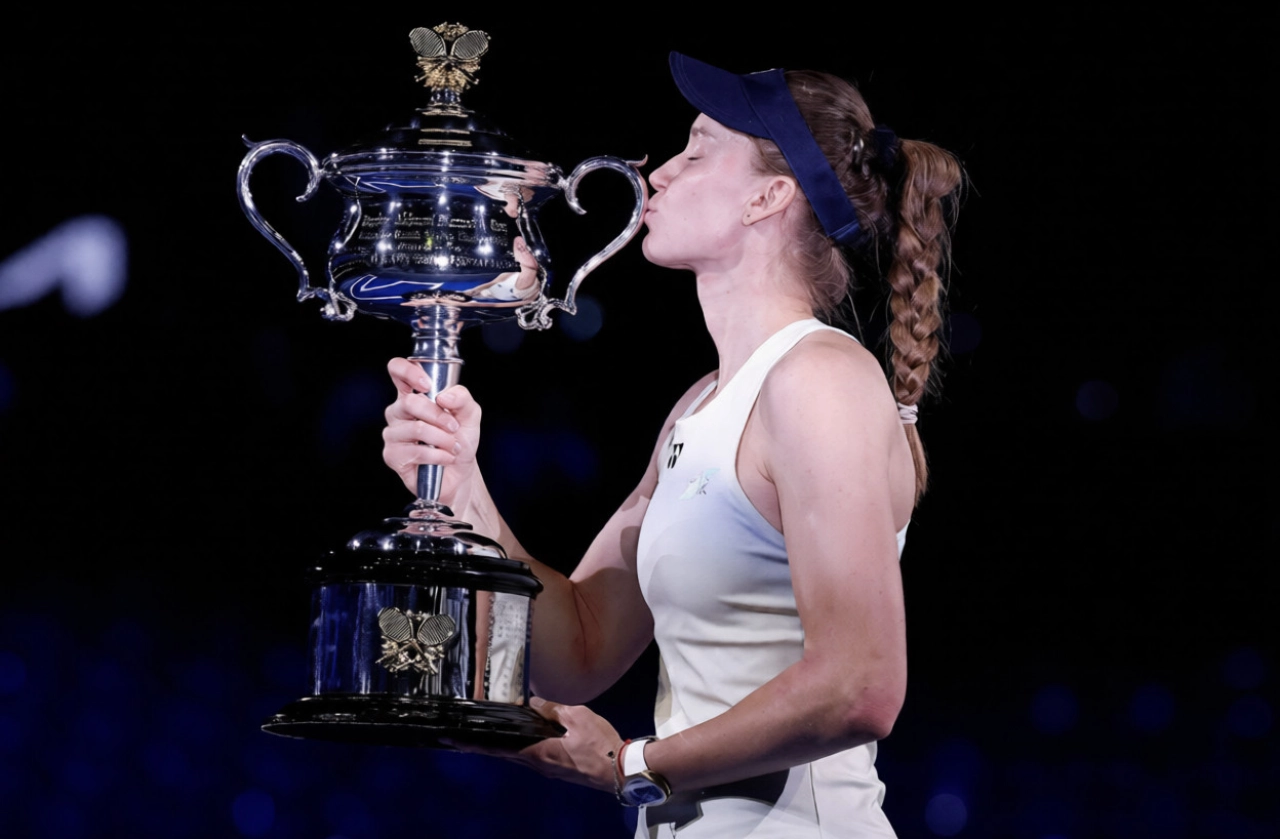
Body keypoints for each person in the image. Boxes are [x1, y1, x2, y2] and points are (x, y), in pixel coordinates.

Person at [382, 51, 963, 838]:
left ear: (769, 195)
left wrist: (630, 765)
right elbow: (579, 645)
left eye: (696, 149)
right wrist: (462, 485)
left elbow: (862, 685)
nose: (659, 174)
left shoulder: (820, 380)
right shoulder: (701, 406)